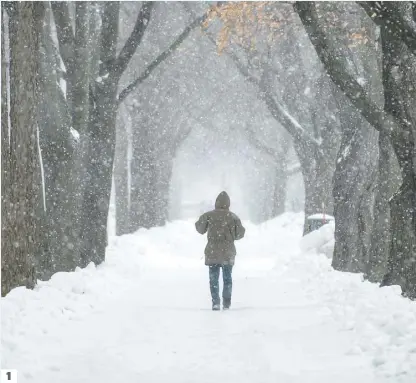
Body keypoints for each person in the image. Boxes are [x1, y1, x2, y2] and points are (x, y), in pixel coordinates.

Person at [195, 191, 245, 311]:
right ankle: (226, 303)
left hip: (212, 252)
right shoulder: (233, 217)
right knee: (227, 278)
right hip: (228, 253)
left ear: (216, 203)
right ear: (228, 204)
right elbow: (240, 234)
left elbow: (200, 228)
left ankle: (215, 303)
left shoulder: (209, 216)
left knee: (214, 279)